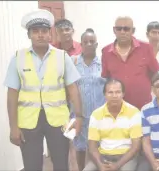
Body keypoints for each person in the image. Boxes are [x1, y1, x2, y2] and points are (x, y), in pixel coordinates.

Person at [4, 9, 83, 171]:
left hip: (58, 119)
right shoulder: (18, 58)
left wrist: (79, 118)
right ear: (29, 35)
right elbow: (12, 95)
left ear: (50, 35)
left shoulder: (62, 57)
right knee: (32, 165)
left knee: (61, 164)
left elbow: (73, 89)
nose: (40, 35)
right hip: (28, 121)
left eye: (44, 31)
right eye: (35, 31)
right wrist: (13, 127)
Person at [101, 16, 159, 109]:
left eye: (126, 29)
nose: (122, 32)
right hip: (117, 107)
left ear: (133, 30)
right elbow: (107, 78)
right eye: (119, 28)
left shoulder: (146, 48)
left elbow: (155, 73)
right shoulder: (106, 52)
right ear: (114, 30)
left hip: (143, 106)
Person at [84, 79, 142, 171]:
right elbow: (92, 147)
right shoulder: (96, 114)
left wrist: (117, 165)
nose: (114, 96)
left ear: (123, 94)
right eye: (110, 92)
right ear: (105, 94)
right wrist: (100, 166)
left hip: (126, 157)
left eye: (118, 92)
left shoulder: (134, 112)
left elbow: (135, 147)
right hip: (103, 157)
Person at [71, 28, 106, 171]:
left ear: (97, 44)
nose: (89, 44)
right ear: (81, 44)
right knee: (79, 147)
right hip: (79, 114)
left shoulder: (104, 63)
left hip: (99, 115)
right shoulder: (73, 63)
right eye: (86, 42)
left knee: (98, 147)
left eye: (92, 41)